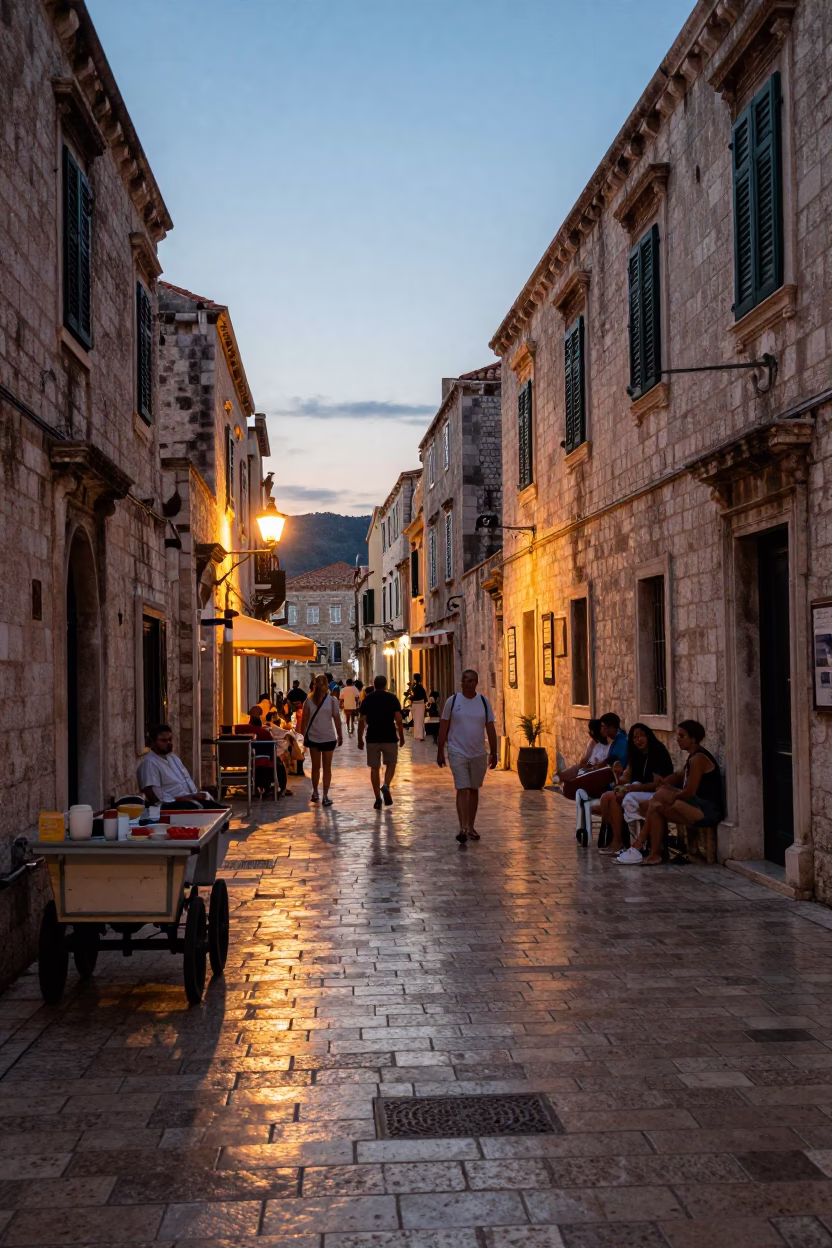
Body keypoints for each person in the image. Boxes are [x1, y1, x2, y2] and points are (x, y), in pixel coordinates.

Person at [617, 720, 724, 866]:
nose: (678, 739)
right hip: (695, 806)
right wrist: (665, 782)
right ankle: (655, 853)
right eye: (678, 735)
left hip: (706, 810)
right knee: (649, 806)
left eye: (682, 736)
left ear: (693, 739)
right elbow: (679, 776)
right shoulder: (692, 757)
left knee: (659, 798)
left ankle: (639, 844)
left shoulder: (698, 758)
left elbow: (690, 792)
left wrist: (671, 795)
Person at [437, 669, 498, 846]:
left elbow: (490, 727)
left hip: (478, 752)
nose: (469, 683)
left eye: (472, 680)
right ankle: (462, 827)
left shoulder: (483, 702)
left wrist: (494, 752)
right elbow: (443, 727)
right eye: (466, 680)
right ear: (461, 683)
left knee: (473, 788)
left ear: (476, 682)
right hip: (457, 751)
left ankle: (471, 826)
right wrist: (440, 751)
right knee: (462, 788)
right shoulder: (453, 701)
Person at [598, 723, 673, 857]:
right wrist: (620, 782)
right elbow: (628, 774)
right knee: (609, 797)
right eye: (635, 737)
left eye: (642, 735)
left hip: (657, 793)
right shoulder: (635, 753)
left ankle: (637, 842)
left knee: (627, 799)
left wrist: (632, 788)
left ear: (648, 736)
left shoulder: (658, 752)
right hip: (639, 790)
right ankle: (618, 841)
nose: (639, 739)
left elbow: (657, 784)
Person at [358, 675, 405, 808]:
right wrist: (401, 736)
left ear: (374, 685)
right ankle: (386, 785)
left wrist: (359, 739)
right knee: (391, 763)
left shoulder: (368, 699)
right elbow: (399, 720)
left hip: (373, 737)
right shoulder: (392, 698)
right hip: (389, 736)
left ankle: (377, 798)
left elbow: (362, 721)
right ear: (385, 685)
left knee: (374, 768)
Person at [138, 724, 213, 806]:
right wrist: (181, 799)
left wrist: (195, 796)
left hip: (190, 802)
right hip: (173, 806)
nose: (168, 743)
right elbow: (154, 797)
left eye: (170, 740)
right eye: (164, 740)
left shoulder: (173, 757)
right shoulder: (149, 763)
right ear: (153, 742)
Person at [301, 673, 342, 806]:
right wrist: (340, 735)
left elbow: (304, 720)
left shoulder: (308, 701)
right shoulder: (332, 700)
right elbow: (336, 718)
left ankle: (315, 793)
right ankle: (325, 795)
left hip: (313, 737)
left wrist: (303, 735)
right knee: (327, 768)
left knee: (315, 767)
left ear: (314, 685)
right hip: (328, 737)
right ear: (327, 685)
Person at [555, 718, 608, 784]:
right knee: (576, 768)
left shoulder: (605, 745)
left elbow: (597, 762)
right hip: (590, 766)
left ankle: (560, 777)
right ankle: (559, 777)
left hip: (595, 770)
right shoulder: (594, 743)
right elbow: (585, 760)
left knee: (577, 770)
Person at [409, 673, 428, 741]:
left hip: (416, 704)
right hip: (420, 704)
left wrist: (411, 698)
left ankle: (417, 735)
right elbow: (424, 696)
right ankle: (420, 735)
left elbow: (414, 695)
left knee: (416, 720)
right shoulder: (420, 687)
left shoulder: (414, 687)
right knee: (420, 720)